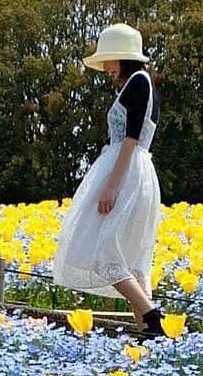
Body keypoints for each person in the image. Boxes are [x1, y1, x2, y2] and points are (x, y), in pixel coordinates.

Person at [51, 22, 164, 335]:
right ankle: (148, 335)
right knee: (129, 258)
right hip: (135, 170)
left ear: (121, 57)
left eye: (109, 60)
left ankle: (152, 316)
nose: (107, 68)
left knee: (104, 252)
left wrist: (111, 185)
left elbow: (131, 137)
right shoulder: (145, 83)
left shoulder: (139, 81)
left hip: (125, 170)